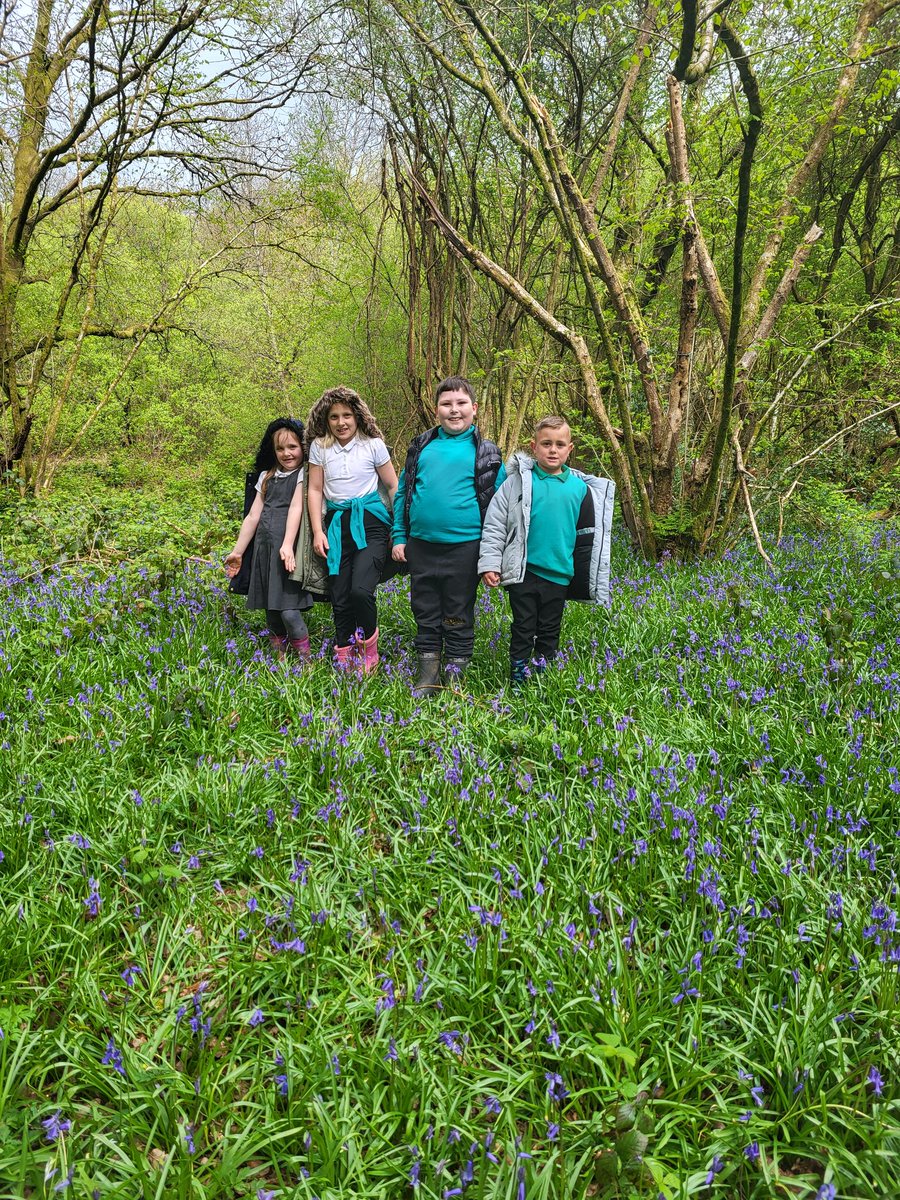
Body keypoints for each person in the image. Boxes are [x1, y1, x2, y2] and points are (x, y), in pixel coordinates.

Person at [477, 415, 616, 687]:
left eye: (560, 444)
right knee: (523, 626)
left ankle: (543, 678)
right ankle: (518, 677)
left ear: (570, 449)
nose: (553, 450)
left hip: (560, 574)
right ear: (534, 446)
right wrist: (490, 564)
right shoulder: (517, 483)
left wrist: (588, 577)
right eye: (546, 444)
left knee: (550, 629)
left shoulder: (581, 489)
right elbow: (495, 524)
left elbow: (589, 538)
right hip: (524, 571)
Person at [392, 376, 505, 693]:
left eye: (461, 403)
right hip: (422, 546)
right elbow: (404, 493)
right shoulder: (421, 447)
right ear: (436, 409)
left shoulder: (487, 454)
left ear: (475, 409)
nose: (454, 410)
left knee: (457, 610)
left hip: (466, 548)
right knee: (424, 608)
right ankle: (428, 675)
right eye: (446, 404)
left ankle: (455, 676)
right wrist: (400, 536)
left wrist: (493, 556)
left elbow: (502, 510)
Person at [301, 386, 398, 674]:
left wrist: (401, 528)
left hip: (371, 522)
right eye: (334, 417)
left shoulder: (372, 444)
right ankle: (345, 652)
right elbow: (315, 490)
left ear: (357, 416)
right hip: (336, 525)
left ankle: (368, 651)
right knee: (340, 594)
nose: (341, 422)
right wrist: (318, 531)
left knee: (360, 590)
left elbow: (393, 485)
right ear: (325, 420)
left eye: (347, 415)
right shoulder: (320, 447)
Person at [225, 418, 313, 659]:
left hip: (288, 551)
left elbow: (296, 509)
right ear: (272, 450)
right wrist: (238, 551)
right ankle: (280, 662)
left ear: (303, 447)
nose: (287, 453)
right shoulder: (266, 476)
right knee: (271, 611)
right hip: (265, 550)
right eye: (280, 448)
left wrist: (287, 545)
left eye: (292, 447)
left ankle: (306, 664)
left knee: (289, 612)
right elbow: (253, 516)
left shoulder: (305, 474)